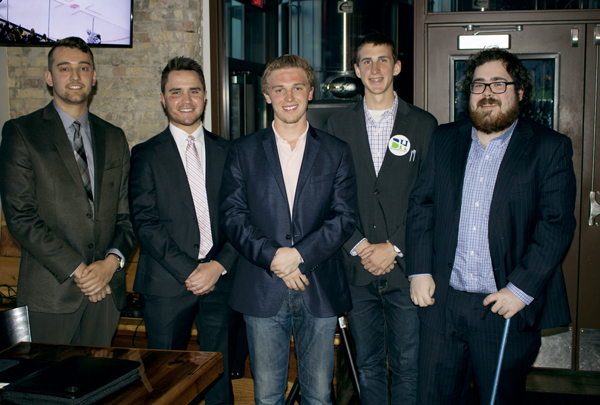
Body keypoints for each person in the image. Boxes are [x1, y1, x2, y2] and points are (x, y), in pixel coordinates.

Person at [406, 48, 576, 404]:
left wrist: (521, 290)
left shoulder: (548, 147)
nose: (487, 92)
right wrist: (419, 270)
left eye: (499, 83)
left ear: (520, 92)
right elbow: (422, 205)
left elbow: (556, 225)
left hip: (503, 306)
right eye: (478, 84)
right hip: (444, 304)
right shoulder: (444, 139)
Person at [220, 54, 358, 405]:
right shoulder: (242, 151)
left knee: (318, 396)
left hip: (319, 286)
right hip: (261, 288)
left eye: (297, 87)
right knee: (267, 396)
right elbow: (233, 216)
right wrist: (273, 257)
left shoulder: (337, 152)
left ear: (311, 92)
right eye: (279, 89)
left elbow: (344, 217)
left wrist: (298, 255)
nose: (289, 97)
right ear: (266, 95)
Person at [0, 36, 135, 345]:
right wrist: (81, 271)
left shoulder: (114, 137)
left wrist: (109, 264)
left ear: (94, 77)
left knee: (102, 390)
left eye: (83, 68)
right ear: (49, 78)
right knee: (45, 387)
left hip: (106, 296)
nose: (75, 77)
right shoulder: (21, 133)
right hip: (51, 296)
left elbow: (127, 217)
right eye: (64, 68)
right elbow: (21, 217)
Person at [326, 33, 438, 405]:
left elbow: (430, 197)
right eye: (367, 62)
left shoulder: (423, 124)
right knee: (369, 363)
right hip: (355, 269)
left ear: (398, 66)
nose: (376, 69)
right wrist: (360, 246)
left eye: (383, 60)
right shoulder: (333, 126)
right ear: (356, 70)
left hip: (405, 268)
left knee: (408, 364)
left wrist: (394, 246)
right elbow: (327, 198)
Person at [128, 56, 238, 405]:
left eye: (193, 91)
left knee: (219, 375)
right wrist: (191, 269)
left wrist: (217, 265)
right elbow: (145, 221)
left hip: (221, 281)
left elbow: (241, 218)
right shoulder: (145, 155)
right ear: (163, 98)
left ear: (205, 95)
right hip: (166, 285)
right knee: (165, 380)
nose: (186, 100)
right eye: (176, 92)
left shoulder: (229, 151)